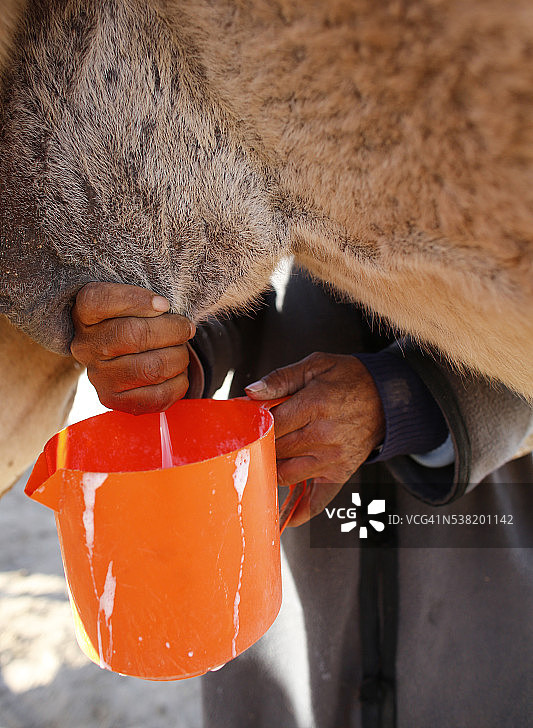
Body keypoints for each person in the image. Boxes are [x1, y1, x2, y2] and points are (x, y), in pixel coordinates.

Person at [70, 269, 533, 728]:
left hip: (478, 553)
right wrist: (172, 352)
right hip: (274, 537)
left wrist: (400, 398)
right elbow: (228, 263)